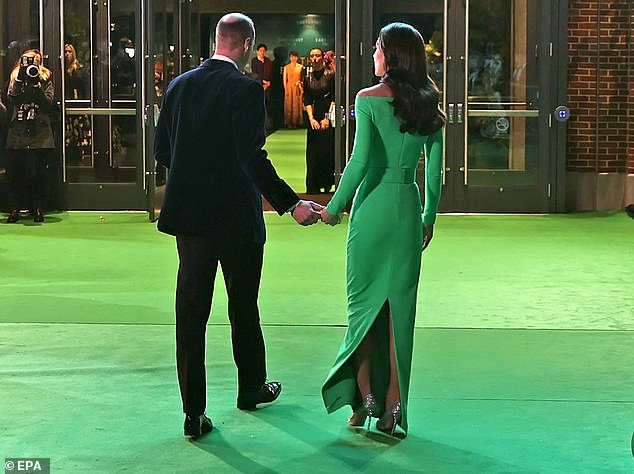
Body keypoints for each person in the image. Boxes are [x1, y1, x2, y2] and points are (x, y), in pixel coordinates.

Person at [154, 13, 324, 440]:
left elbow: (162, 150)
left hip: (190, 219)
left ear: (217, 40)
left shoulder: (179, 86)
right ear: (247, 45)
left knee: (190, 313)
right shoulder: (247, 90)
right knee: (243, 305)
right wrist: (292, 205)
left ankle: (193, 413)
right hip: (236, 219)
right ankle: (251, 387)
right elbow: (252, 157)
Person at [319, 23, 446, 437]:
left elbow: (358, 164)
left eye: (377, 48)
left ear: (391, 56)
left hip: (371, 210)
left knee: (363, 311)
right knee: (398, 314)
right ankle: (394, 406)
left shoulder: (368, 100)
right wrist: (428, 217)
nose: (372, 55)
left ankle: (362, 401)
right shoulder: (429, 102)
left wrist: (333, 209)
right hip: (407, 210)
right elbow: (435, 174)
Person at [4, 49, 55, 223]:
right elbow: (13, 98)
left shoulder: (45, 79)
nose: (32, 65)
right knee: (15, 174)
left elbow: (47, 103)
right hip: (18, 132)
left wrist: (36, 85)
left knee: (40, 173)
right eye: (29, 61)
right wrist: (19, 78)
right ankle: (14, 209)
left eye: (36, 62)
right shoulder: (15, 79)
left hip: (40, 133)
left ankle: (38, 208)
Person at [303, 47, 335, 194]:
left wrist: (327, 118)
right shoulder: (307, 77)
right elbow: (307, 100)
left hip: (328, 116)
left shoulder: (331, 75)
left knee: (327, 152)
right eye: (312, 56)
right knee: (313, 153)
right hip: (314, 118)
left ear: (323, 57)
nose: (314, 58)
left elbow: (335, 98)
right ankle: (313, 186)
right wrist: (311, 119)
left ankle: (327, 183)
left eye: (317, 56)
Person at [64, 43, 91, 163]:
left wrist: (86, 103)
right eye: (65, 51)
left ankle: (79, 154)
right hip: (67, 103)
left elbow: (85, 86)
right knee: (69, 132)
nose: (67, 54)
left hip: (78, 103)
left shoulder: (80, 69)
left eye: (69, 51)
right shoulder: (61, 69)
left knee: (79, 131)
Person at [282, 51, 304, 129]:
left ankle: (296, 122)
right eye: (291, 57)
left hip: (297, 88)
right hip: (289, 87)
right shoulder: (286, 67)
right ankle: (289, 123)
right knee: (288, 105)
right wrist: (286, 90)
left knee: (296, 106)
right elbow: (284, 80)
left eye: (294, 56)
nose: (293, 58)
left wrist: (300, 84)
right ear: (289, 57)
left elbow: (303, 79)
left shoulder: (300, 67)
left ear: (297, 57)